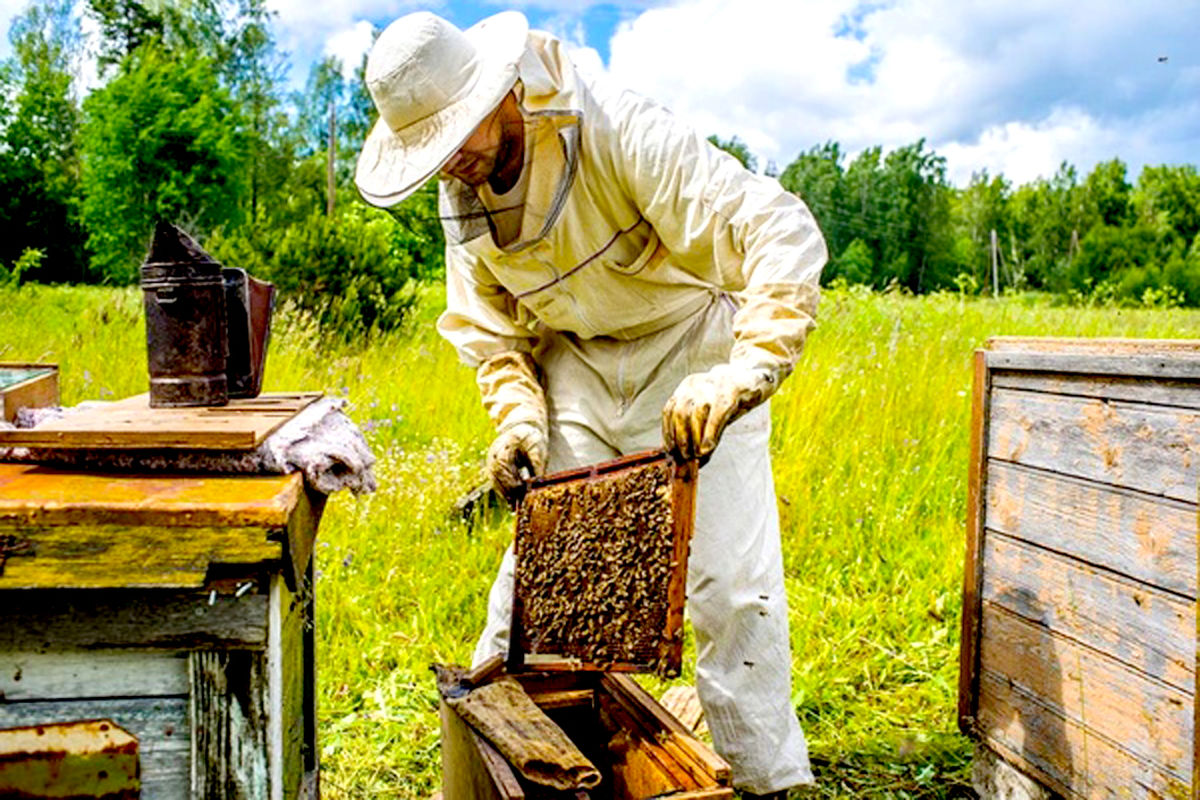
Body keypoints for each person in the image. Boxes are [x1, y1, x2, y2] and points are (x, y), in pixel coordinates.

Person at [355, 10, 827, 797]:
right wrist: (519, 422)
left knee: (730, 584)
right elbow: (494, 337)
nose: (455, 163)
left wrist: (743, 372)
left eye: (460, 135)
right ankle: (493, 764)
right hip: (574, 359)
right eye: (435, 153)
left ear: (504, 91)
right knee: (536, 581)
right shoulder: (461, 194)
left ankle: (763, 778)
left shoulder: (614, 124)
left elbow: (776, 228)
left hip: (691, 345)